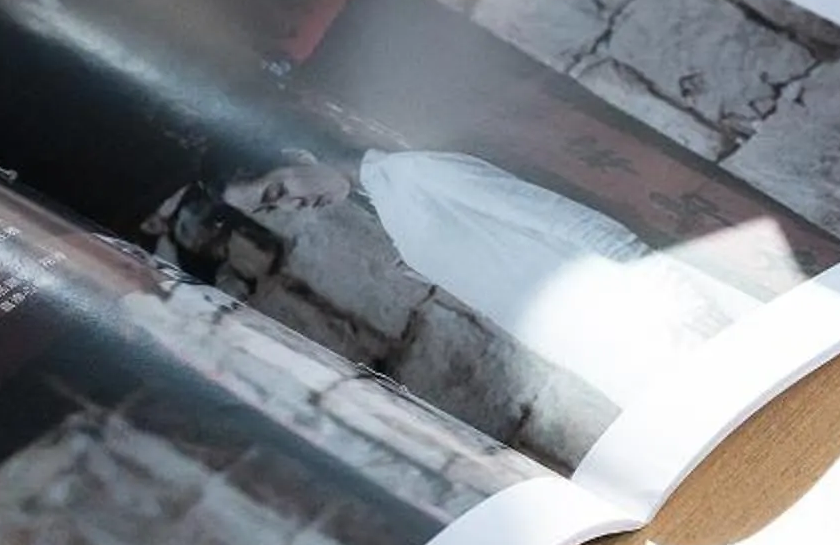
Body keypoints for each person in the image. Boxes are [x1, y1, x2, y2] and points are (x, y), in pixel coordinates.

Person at [220, 149, 755, 409]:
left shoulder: (414, 172)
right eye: (276, 210)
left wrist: (677, 297)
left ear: (294, 155)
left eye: (278, 188)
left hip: (653, 315)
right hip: (614, 357)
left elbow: (564, 219)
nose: (294, 203)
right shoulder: (389, 209)